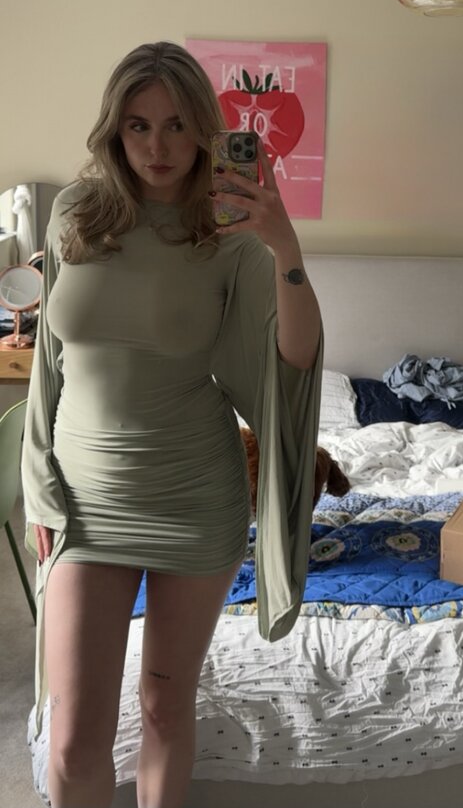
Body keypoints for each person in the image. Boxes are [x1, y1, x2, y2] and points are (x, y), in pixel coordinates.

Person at [21, 41, 323, 808]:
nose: (157, 147)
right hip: (85, 501)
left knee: (163, 704)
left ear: (203, 130)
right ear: (114, 130)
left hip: (193, 497)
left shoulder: (228, 234)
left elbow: (290, 362)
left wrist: (283, 244)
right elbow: (48, 363)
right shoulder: (74, 213)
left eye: (177, 125)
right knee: (74, 735)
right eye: (137, 125)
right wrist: (37, 487)